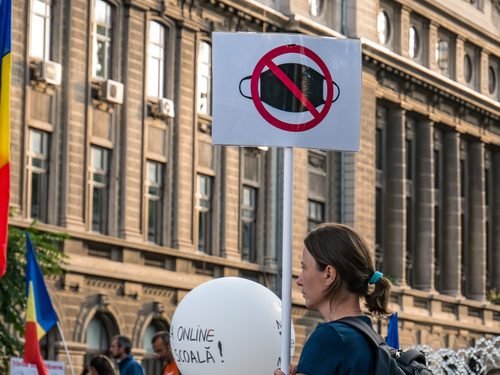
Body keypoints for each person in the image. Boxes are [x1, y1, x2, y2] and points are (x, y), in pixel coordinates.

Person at [274, 223, 392, 375]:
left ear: (329, 274)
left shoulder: (329, 338)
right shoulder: (370, 338)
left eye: (304, 268)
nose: (299, 280)